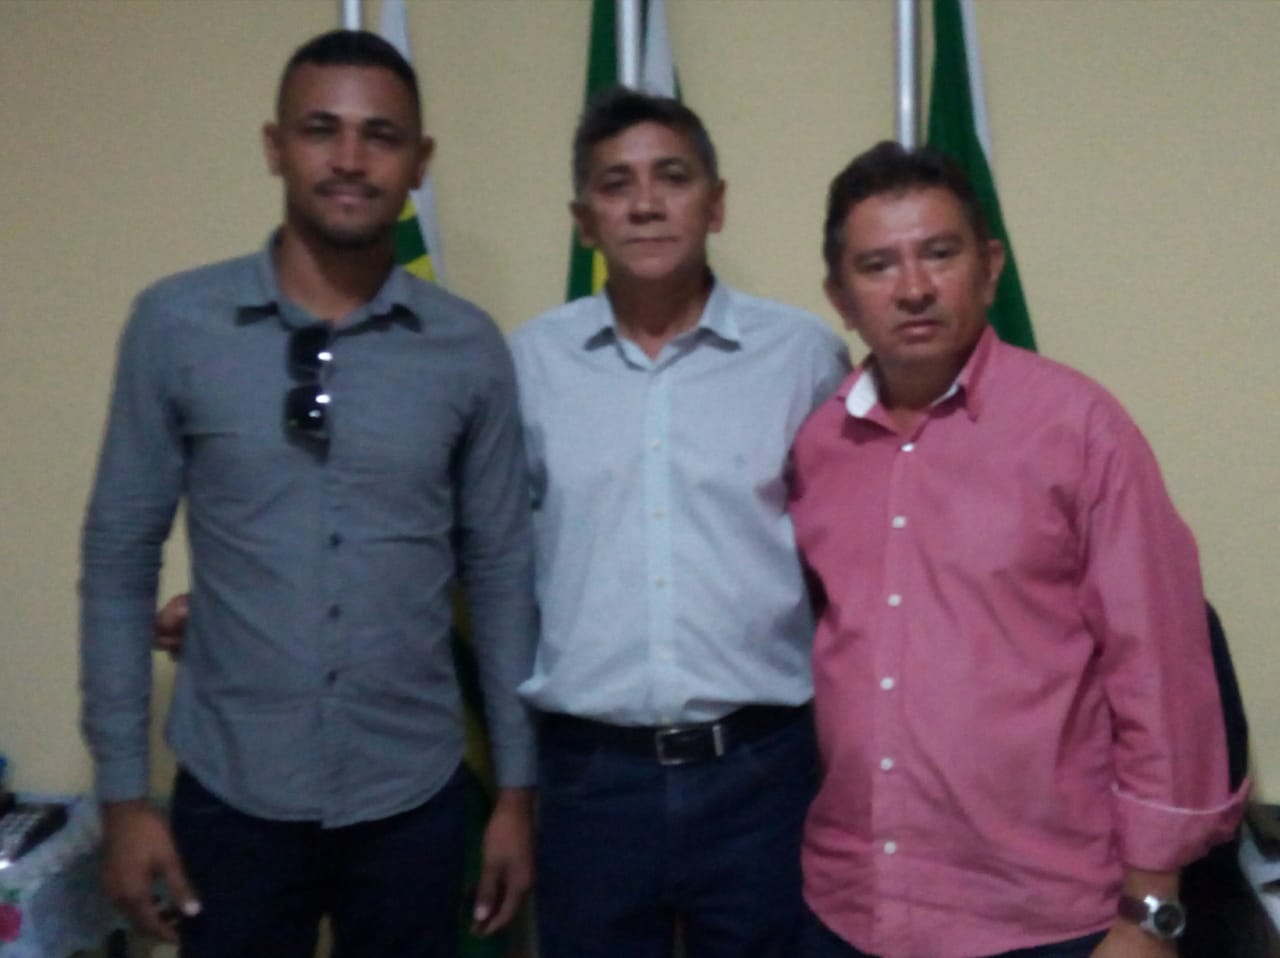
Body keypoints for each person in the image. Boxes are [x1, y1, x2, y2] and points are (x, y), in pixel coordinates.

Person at [79, 30, 536, 957]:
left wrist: (517, 795)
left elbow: (499, 573)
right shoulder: (176, 326)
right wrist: (123, 800)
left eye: (382, 136)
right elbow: (120, 562)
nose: (351, 159)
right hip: (232, 794)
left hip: (413, 795)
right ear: (275, 145)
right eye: (322, 130)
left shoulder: (467, 349)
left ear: (419, 162)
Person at [788, 141, 1247, 958]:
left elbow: (1159, 671)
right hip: (852, 907)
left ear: (989, 266)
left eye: (940, 253)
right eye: (878, 266)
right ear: (840, 298)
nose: (914, 288)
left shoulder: (1078, 430)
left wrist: (1152, 913)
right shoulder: (820, 447)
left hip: (1044, 919)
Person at [510, 88, 850, 958]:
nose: (646, 203)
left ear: (716, 202)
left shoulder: (802, 357)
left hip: (762, 776)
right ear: (584, 221)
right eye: (616, 184)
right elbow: (486, 557)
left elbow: (851, 556)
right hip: (591, 782)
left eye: (672, 176)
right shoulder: (530, 365)